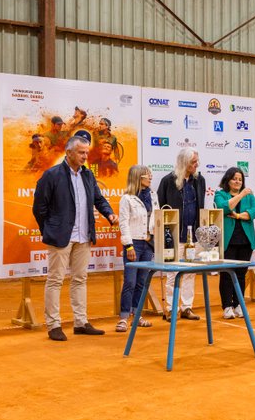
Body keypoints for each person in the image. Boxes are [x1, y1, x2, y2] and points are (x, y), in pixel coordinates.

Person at [32, 135, 117, 341]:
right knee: (55, 280)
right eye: (81, 152)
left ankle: (81, 322)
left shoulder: (88, 176)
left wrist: (109, 213)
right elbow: (39, 208)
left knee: (80, 279)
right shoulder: (51, 175)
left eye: (87, 152)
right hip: (60, 237)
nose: (85, 156)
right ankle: (53, 325)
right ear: (68, 152)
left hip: (84, 235)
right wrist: (50, 230)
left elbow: (98, 199)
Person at [156, 147, 206, 321]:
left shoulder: (200, 180)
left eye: (196, 161)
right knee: (172, 273)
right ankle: (171, 309)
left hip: (193, 236)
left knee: (190, 272)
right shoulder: (168, 181)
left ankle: (187, 307)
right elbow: (162, 207)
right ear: (184, 162)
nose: (196, 164)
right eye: (193, 162)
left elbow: (201, 206)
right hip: (174, 236)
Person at [215, 166, 255, 320]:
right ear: (228, 180)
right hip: (228, 241)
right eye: (234, 179)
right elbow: (224, 207)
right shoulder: (220, 194)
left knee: (241, 274)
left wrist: (240, 216)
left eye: (240, 179)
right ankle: (227, 306)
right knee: (227, 274)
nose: (238, 181)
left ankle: (238, 304)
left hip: (245, 240)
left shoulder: (249, 196)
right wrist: (240, 195)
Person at [116, 164, 155, 332]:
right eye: (147, 175)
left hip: (148, 244)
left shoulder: (153, 196)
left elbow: (156, 218)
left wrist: (153, 236)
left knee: (142, 282)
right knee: (130, 282)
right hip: (133, 244)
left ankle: (137, 315)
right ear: (139, 178)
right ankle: (124, 318)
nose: (150, 178)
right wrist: (129, 245)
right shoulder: (127, 199)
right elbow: (123, 223)